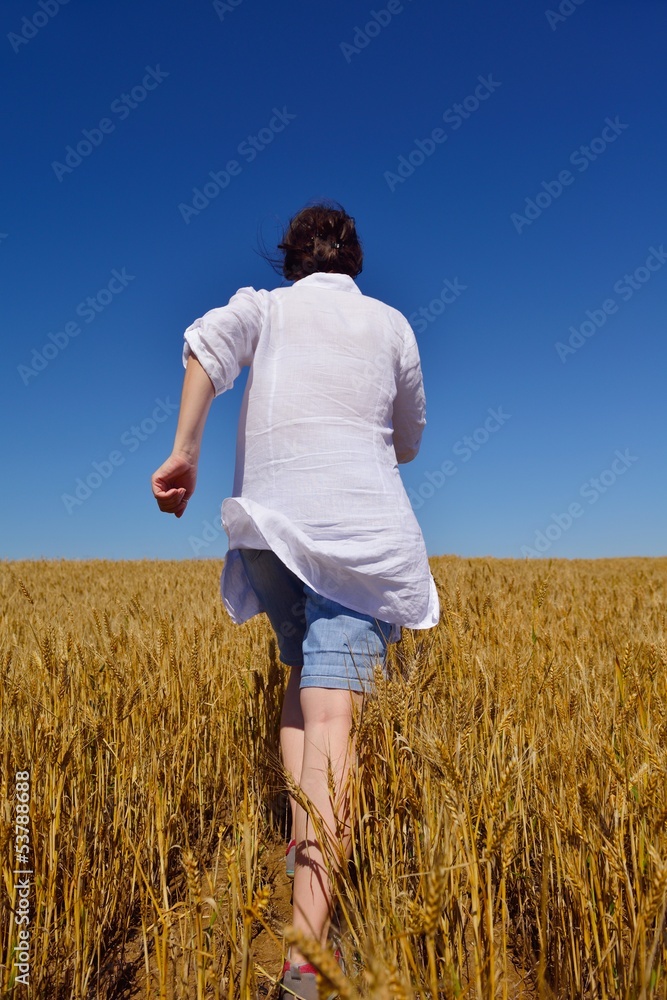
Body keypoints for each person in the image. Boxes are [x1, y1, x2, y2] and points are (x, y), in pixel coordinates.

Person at [151, 201, 439, 1000]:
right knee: (333, 715)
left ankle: (300, 846)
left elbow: (206, 345)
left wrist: (184, 451)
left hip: (267, 530)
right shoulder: (391, 326)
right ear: (354, 260)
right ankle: (307, 959)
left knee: (297, 677)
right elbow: (408, 438)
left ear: (291, 260)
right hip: (354, 535)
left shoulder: (263, 307)